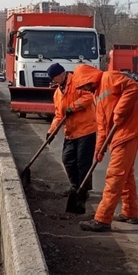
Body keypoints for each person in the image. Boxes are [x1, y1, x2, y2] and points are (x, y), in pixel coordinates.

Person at [71, 64, 138, 232]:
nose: (85, 88)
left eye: (84, 85)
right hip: (119, 135)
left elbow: (134, 88)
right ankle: (130, 213)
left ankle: (103, 219)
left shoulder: (109, 77)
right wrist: (99, 149)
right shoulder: (96, 95)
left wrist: (120, 111)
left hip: (127, 131)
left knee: (115, 175)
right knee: (126, 175)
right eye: (81, 87)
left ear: (88, 78)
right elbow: (102, 126)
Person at [47, 63, 97, 212]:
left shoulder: (77, 81)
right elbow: (58, 115)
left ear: (61, 74)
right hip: (70, 131)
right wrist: (51, 131)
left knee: (83, 162)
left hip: (86, 129)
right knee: (68, 159)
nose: (54, 81)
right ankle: (75, 186)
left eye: (54, 78)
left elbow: (89, 96)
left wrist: (72, 107)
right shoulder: (57, 93)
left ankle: (83, 190)